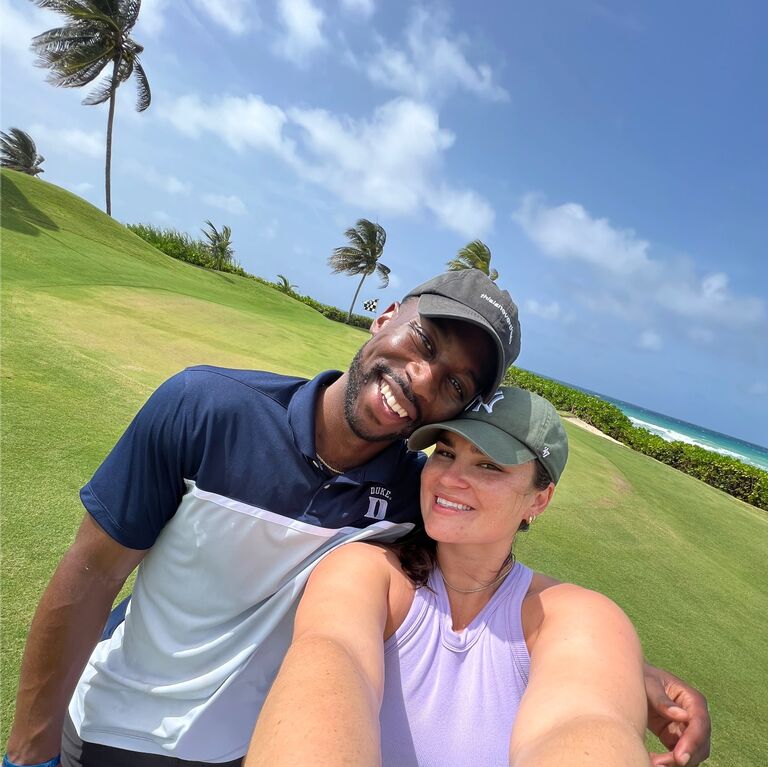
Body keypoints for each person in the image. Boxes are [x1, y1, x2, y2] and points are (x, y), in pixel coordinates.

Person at [4, 270, 709, 767]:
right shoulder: (205, 408)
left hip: (243, 747)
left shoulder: (419, 496)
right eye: (426, 342)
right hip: (106, 732)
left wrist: (631, 678)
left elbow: (488, 579)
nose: (423, 378)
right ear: (385, 316)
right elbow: (91, 574)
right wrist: (27, 750)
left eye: (456, 385)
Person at [247, 387, 652, 766]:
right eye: (444, 452)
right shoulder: (366, 573)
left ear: (539, 499)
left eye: (489, 465)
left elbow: (585, 721)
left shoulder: (579, 618)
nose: (450, 478)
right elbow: (330, 658)